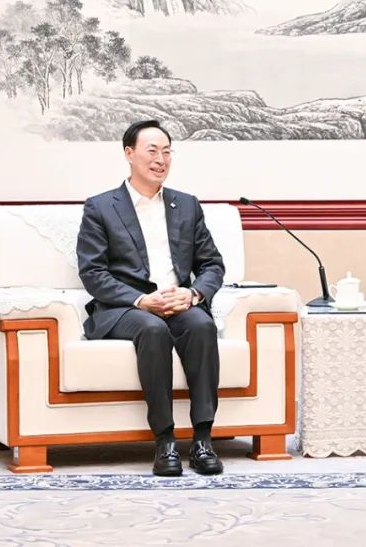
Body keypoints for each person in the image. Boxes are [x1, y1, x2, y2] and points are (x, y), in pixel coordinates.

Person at [76, 119, 226, 476]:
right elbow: (92, 272)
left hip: (177, 302)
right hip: (126, 307)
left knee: (202, 326)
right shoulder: (101, 207)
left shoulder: (187, 205)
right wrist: (142, 301)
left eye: (167, 152)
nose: (161, 159)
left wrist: (193, 294)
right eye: (152, 151)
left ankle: (203, 439)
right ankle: (165, 440)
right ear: (129, 154)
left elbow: (212, 264)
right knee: (153, 329)